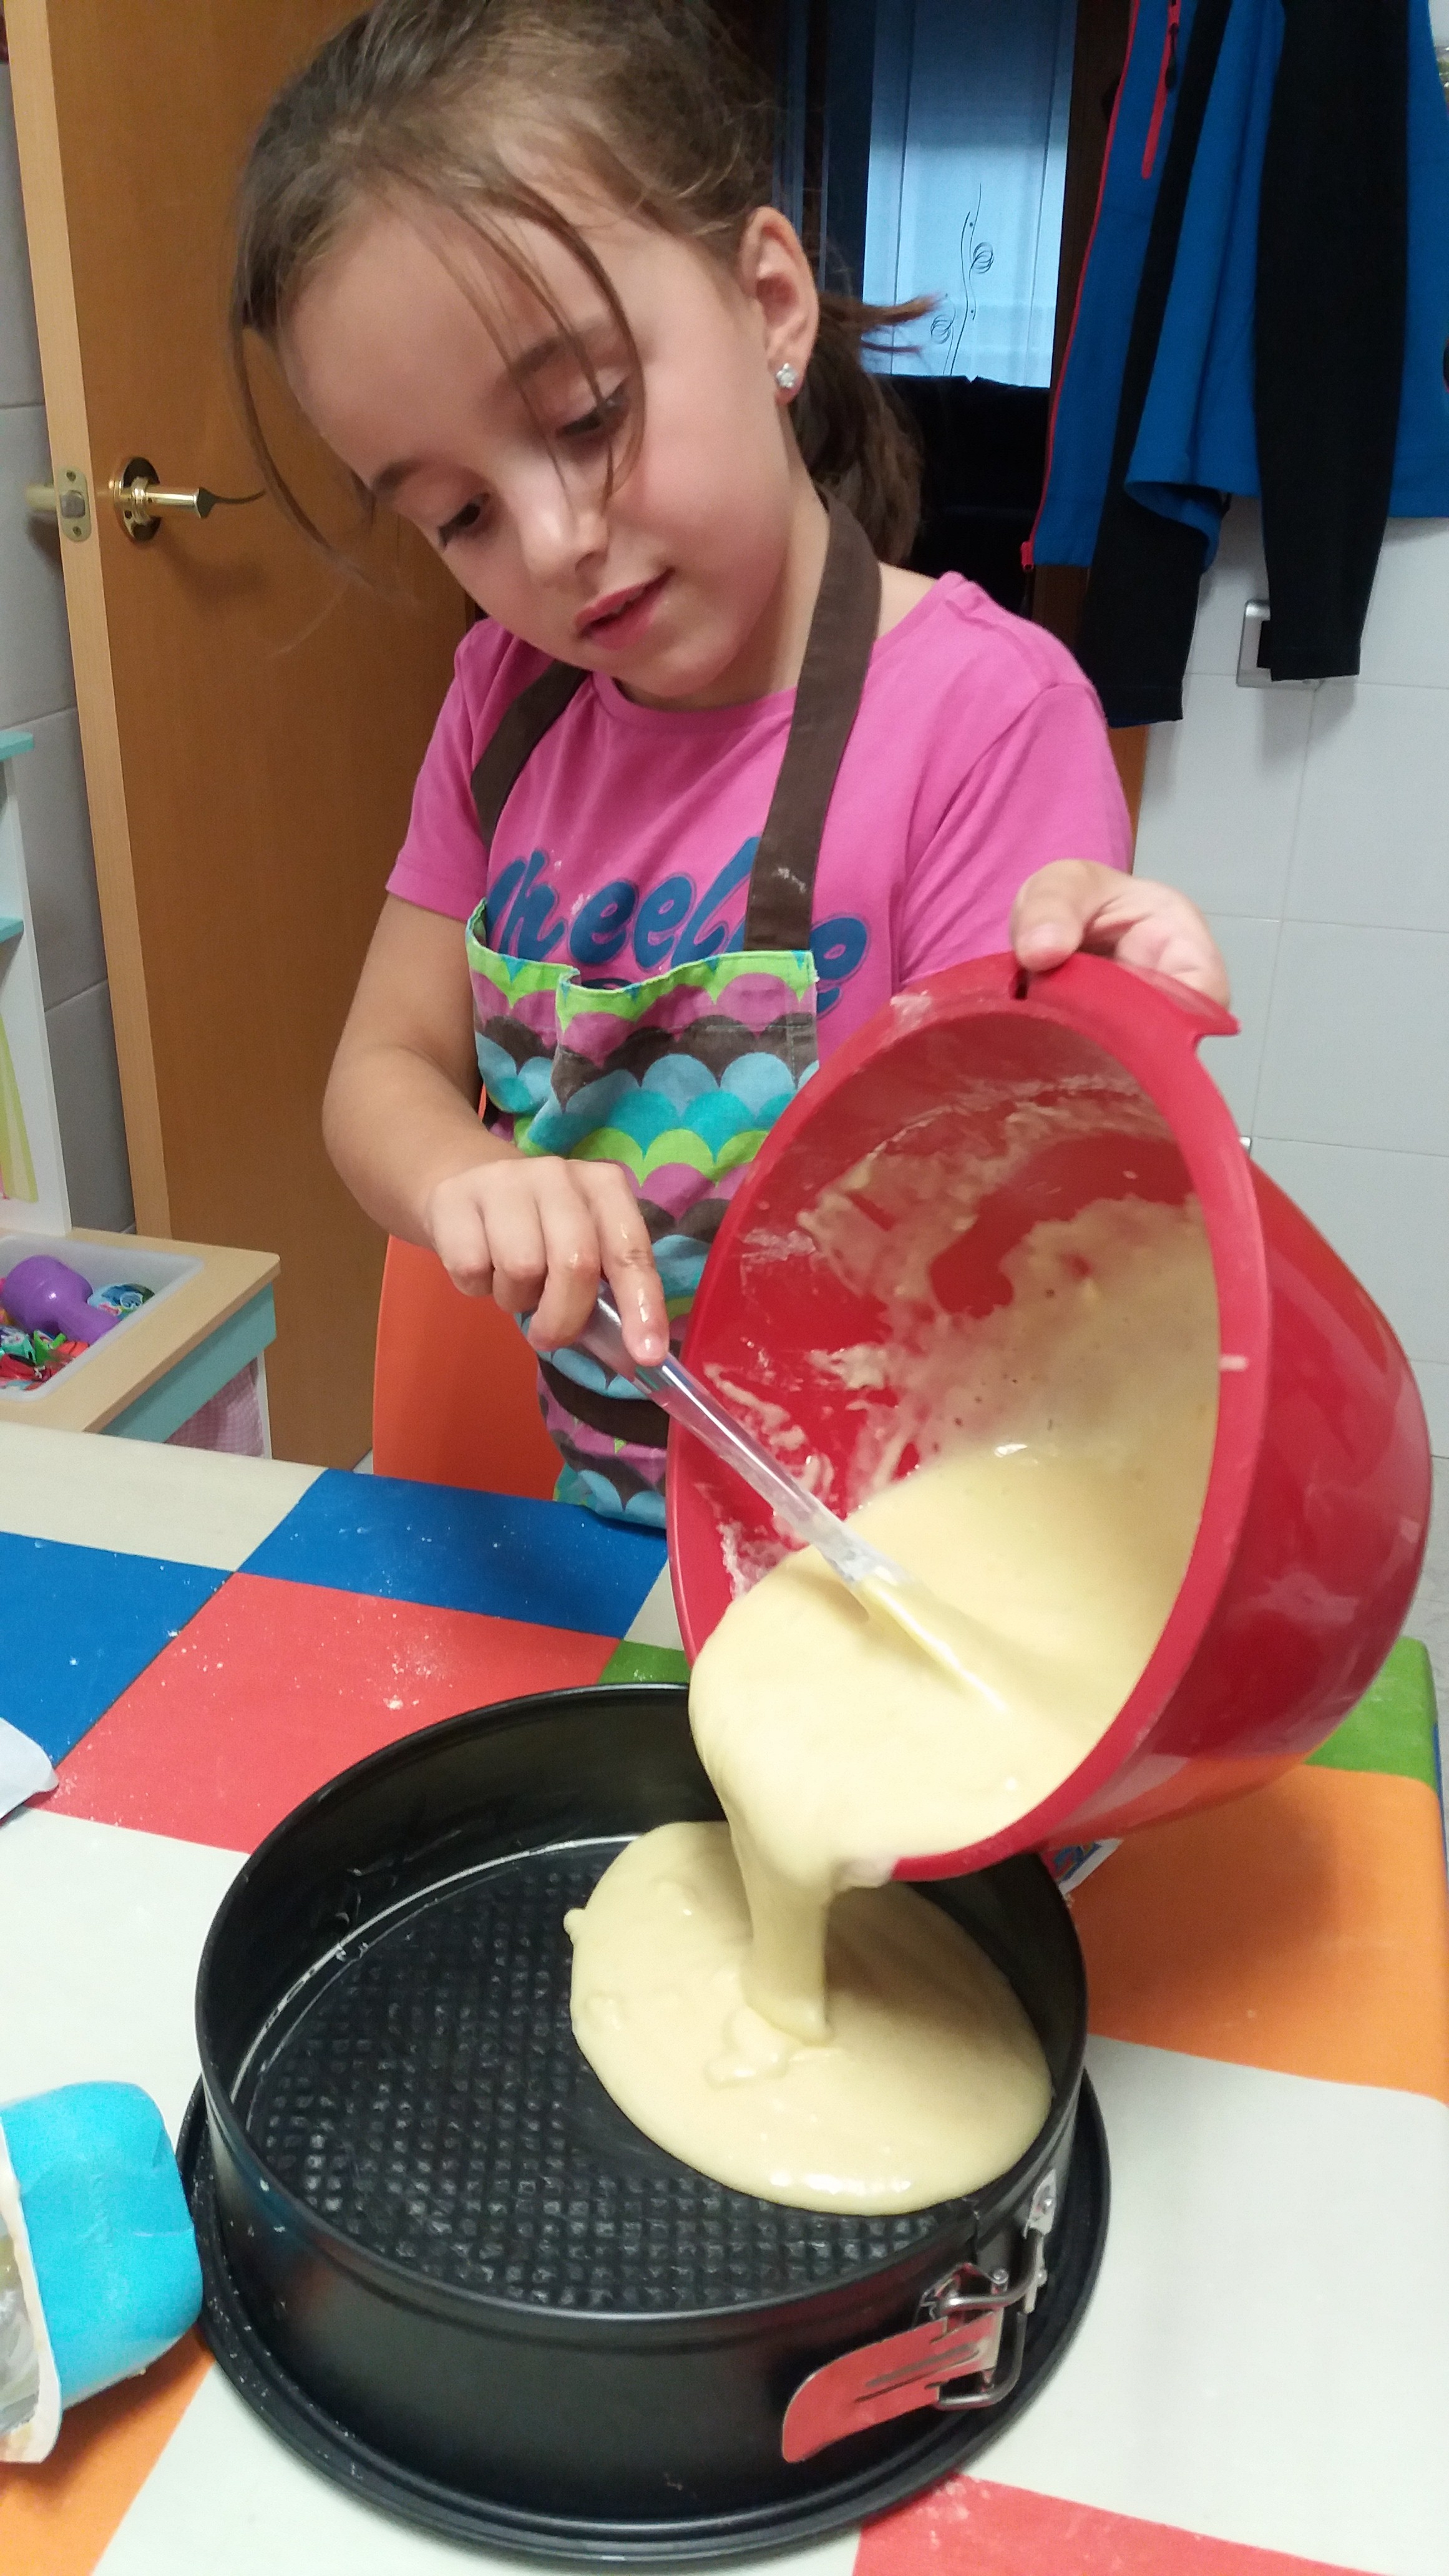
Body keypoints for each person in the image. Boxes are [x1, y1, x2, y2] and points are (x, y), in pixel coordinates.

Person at [232, 0, 1227, 1526]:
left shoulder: (982, 718)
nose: (551, 545)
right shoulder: (504, 705)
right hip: (617, 1525)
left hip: (914, 1547)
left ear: (768, 303)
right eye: (459, 516)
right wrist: (459, 1180)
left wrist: (1106, 1072)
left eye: (587, 419)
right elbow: (381, 1071)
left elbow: (1038, 1255)